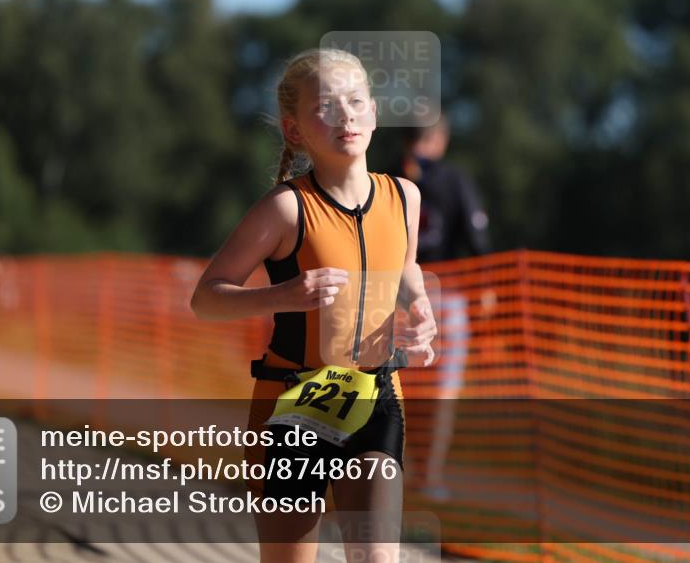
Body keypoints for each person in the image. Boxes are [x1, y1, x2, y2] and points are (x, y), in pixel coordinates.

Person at [190, 48, 437, 563]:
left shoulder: (405, 197)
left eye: (355, 101)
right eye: (326, 105)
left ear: (373, 111)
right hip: (295, 404)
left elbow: (405, 266)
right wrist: (282, 295)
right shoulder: (285, 208)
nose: (345, 115)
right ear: (295, 129)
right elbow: (206, 298)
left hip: (376, 396)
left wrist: (421, 311)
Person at [393, 112, 493, 500]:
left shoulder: (385, 176)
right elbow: (477, 238)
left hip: (394, 295)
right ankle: (430, 476)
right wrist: (487, 287)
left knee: (396, 387)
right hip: (445, 295)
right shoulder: (454, 179)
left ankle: (396, 467)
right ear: (440, 138)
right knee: (442, 392)